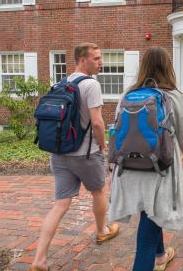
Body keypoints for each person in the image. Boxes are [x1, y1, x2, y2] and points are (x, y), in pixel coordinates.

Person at [29, 43, 119, 271]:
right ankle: (101, 231)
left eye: (101, 58)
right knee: (98, 191)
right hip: (85, 153)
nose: (101, 63)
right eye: (96, 59)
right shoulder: (91, 85)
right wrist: (103, 145)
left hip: (59, 154)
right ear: (82, 60)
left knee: (60, 204)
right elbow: (97, 122)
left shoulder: (60, 83)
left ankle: (40, 259)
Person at [108, 47, 183, 271]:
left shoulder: (128, 94)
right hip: (159, 167)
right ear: (168, 66)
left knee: (152, 213)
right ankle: (149, 260)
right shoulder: (173, 95)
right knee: (151, 221)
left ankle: (161, 255)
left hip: (128, 167)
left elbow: (116, 127)